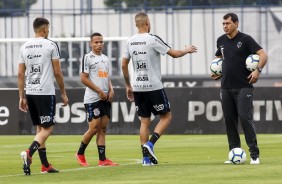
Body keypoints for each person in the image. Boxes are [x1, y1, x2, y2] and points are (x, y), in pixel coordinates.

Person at [121, 12, 198, 166]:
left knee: (144, 122)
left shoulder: (130, 42)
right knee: (166, 116)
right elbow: (174, 54)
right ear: (147, 23)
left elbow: (123, 65)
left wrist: (128, 85)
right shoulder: (152, 39)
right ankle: (150, 144)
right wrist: (187, 50)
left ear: (137, 24)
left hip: (137, 87)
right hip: (153, 86)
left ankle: (145, 159)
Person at [211, 13, 267, 164]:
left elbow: (263, 55)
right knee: (230, 120)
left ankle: (254, 155)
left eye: (228, 23)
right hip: (226, 87)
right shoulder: (221, 40)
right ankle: (234, 153)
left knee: (244, 118)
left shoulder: (246, 39)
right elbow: (218, 58)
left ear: (236, 23)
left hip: (244, 86)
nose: (225, 26)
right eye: (223, 24)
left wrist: (258, 71)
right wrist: (216, 71)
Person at [18, 17, 69, 175]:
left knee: (39, 129)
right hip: (45, 92)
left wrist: (21, 97)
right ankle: (29, 153)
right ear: (45, 29)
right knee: (48, 129)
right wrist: (63, 92)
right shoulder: (51, 45)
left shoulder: (24, 47)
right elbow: (58, 72)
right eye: (48, 28)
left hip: (30, 92)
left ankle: (45, 165)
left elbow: (20, 74)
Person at [75, 32, 118, 167]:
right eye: (96, 42)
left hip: (104, 98)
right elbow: (83, 78)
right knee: (93, 128)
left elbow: (106, 77)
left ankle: (102, 159)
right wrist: (99, 90)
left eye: (101, 42)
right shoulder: (87, 58)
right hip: (93, 98)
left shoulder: (105, 58)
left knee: (102, 129)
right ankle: (80, 153)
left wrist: (111, 89)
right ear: (91, 43)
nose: (99, 44)